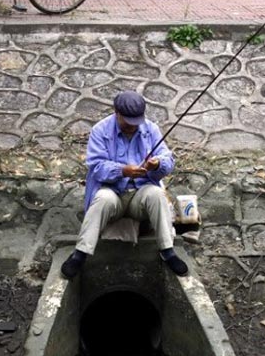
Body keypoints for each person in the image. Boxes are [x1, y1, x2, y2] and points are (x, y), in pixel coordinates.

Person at [60, 90, 188, 279]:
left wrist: (157, 164)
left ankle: (167, 251)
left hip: (140, 195)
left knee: (156, 194)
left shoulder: (150, 129)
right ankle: (81, 253)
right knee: (102, 198)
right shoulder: (100, 130)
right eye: (128, 122)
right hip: (113, 194)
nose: (132, 127)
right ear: (117, 113)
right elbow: (97, 167)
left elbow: (167, 159)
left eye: (136, 122)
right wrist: (123, 170)